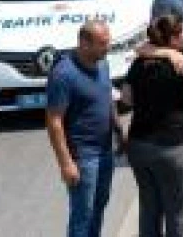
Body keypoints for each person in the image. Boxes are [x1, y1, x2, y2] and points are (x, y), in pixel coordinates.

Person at [122, 14, 183, 237]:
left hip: (139, 146)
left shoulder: (140, 63)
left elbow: (126, 100)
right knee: (177, 213)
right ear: (174, 38)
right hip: (172, 147)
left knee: (149, 209)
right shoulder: (181, 62)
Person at [45, 21, 122, 237]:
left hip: (105, 151)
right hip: (83, 157)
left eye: (108, 42)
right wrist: (66, 163)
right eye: (102, 44)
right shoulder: (63, 75)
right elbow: (54, 121)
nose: (108, 47)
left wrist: (119, 130)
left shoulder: (103, 64)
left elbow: (107, 97)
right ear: (84, 43)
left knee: (99, 206)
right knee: (82, 215)